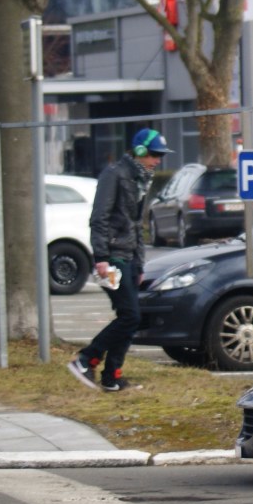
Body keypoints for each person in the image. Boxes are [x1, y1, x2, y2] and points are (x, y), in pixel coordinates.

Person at [67, 128, 172, 392]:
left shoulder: (140, 179)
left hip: (130, 258)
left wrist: (139, 263)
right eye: (154, 155)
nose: (158, 160)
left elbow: (136, 224)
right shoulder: (114, 175)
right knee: (130, 316)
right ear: (139, 151)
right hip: (113, 257)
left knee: (129, 317)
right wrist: (101, 257)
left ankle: (112, 375)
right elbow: (99, 218)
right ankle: (85, 359)